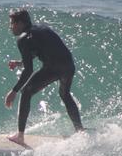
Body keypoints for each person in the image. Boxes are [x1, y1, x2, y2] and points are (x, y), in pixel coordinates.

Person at [5, 8, 84, 145]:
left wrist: (14, 91)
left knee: (26, 92)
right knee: (65, 94)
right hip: (68, 65)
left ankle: (20, 136)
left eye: (12, 23)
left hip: (53, 68)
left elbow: (29, 70)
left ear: (21, 23)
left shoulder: (23, 39)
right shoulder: (41, 29)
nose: (10, 27)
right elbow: (39, 50)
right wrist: (20, 63)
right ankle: (80, 130)